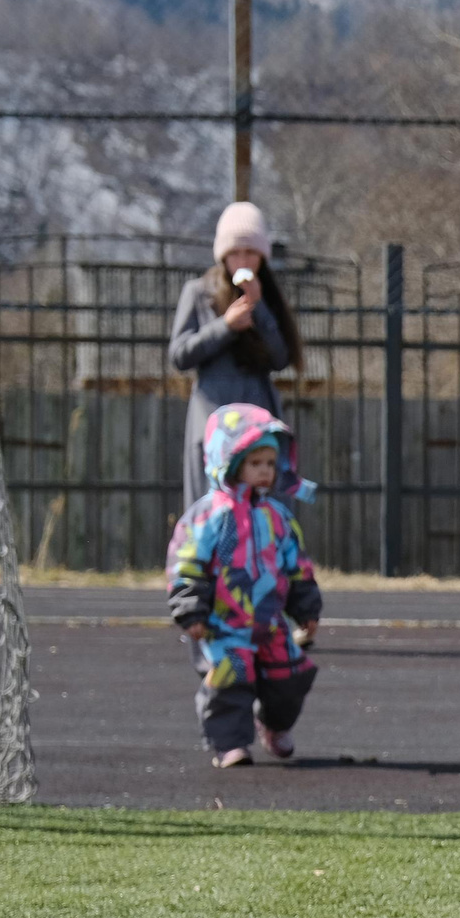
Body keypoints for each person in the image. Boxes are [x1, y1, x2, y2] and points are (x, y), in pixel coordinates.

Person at [166, 404, 321, 769]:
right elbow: (185, 565)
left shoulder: (277, 517)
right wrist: (190, 609)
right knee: (229, 683)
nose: (265, 471)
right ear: (230, 464)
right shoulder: (208, 516)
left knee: (290, 677)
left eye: (271, 462)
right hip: (225, 624)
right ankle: (230, 744)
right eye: (255, 463)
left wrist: (306, 608)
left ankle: (274, 724)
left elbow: (296, 565)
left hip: (270, 624)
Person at [169, 202, 304, 509]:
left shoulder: (267, 297)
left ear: (262, 256)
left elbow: (281, 358)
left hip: (257, 421)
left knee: (260, 511)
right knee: (213, 510)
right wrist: (225, 326)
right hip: (213, 421)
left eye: (250, 252)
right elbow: (179, 355)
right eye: (235, 252)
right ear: (222, 254)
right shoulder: (198, 293)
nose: (242, 260)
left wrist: (259, 308)